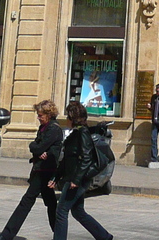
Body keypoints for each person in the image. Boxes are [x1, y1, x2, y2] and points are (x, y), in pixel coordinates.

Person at [0, 99, 63, 240]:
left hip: (45, 170)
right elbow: (35, 146)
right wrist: (36, 149)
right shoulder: (44, 127)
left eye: (40, 115)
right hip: (40, 168)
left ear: (48, 114)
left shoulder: (53, 128)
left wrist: (38, 149)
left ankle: (6, 235)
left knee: (27, 201)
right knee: (50, 204)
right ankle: (60, 235)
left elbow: (40, 147)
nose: (38, 117)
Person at [51, 101, 113, 240]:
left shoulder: (82, 133)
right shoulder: (77, 133)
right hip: (74, 177)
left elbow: (86, 158)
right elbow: (67, 159)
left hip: (77, 179)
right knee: (78, 212)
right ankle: (104, 236)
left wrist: (76, 180)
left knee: (61, 211)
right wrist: (55, 177)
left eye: (68, 116)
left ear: (73, 118)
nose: (66, 119)